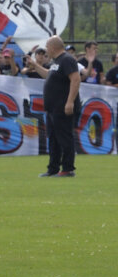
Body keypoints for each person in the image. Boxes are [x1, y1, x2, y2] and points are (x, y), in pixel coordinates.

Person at [31, 35, 81, 177]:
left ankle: (67, 168)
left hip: (63, 107)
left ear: (53, 47)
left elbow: (75, 79)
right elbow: (49, 75)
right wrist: (35, 65)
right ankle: (52, 168)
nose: (46, 50)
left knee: (64, 138)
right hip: (53, 108)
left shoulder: (67, 60)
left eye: (47, 47)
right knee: (53, 139)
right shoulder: (56, 62)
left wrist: (70, 101)